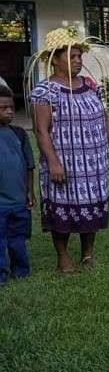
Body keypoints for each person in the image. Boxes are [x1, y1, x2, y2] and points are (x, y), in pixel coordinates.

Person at [30, 32, 109, 272]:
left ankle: (87, 254)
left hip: (94, 163)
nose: (78, 61)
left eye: (79, 56)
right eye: (71, 57)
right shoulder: (45, 90)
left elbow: (104, 118)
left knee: (92, 203)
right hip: (64, 161)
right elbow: (41, 130)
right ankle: (62, 256)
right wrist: (53, 161)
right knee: (62, 205)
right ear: (54, 59)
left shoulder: (90, 85)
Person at [0, 86, 35, 283]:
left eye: (11, 107)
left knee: (18, 240)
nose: (9, 111)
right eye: (3, 108)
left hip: (19, 201)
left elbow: (29, 165)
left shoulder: (20, 134)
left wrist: (30, 191)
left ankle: (21, 271)